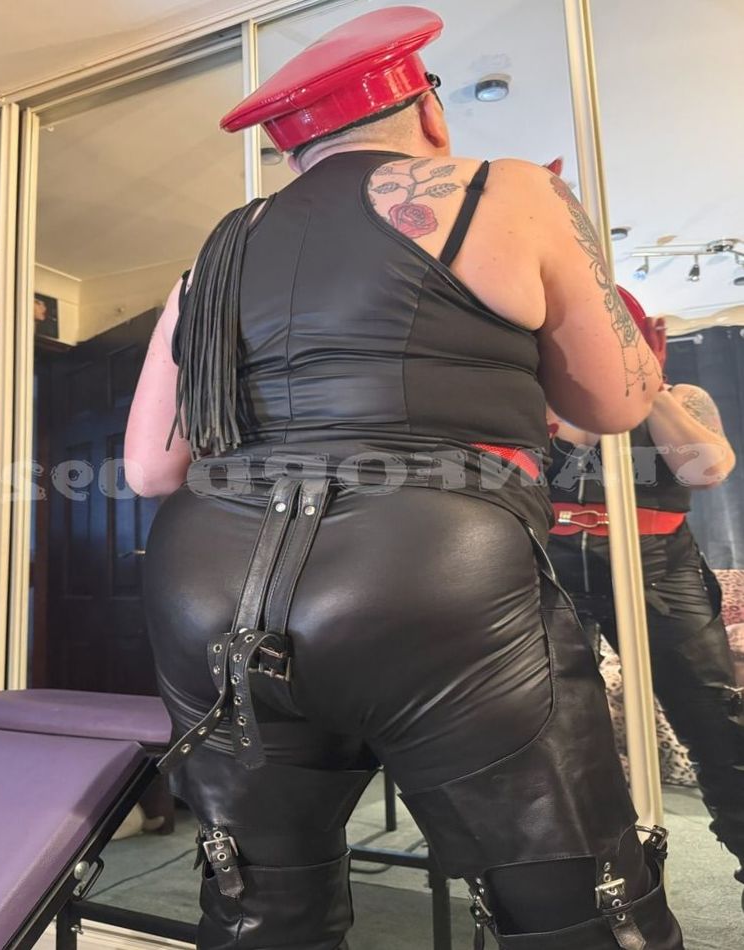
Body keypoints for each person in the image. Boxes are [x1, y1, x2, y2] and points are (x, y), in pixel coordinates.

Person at [124, 7, 683, 948]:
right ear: (428, 110)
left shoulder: (209, 259)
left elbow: (149, 469)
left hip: (207, 581)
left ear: (291, 152)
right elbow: (616, 401)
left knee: (259, 909)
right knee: (571, 902)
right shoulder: (508, 189)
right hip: (432, 565)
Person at [547, 287, 744, 907]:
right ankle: (594, 885)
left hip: (661, 570)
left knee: (718, 721)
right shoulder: (534, 397)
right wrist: (584, 394)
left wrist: (648, 388)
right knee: (559, 731)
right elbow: (548, 463)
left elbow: (707, 469)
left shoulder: (682, 396)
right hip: (553, 572)